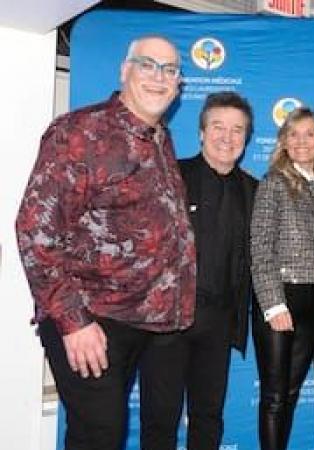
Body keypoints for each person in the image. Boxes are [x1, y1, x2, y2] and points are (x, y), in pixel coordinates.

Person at [15, 36, 195, 450]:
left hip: (152, 322)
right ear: (124, 71)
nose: (159, 77)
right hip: (93, 320)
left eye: (170, 70)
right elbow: (35, 230)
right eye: (148, 64)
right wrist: (73, 321)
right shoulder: (81, 131)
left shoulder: (159, 139)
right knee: (98, 438)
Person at [139, 91, 258, 450]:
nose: (228, 137)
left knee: (208, 418)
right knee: (160, 418)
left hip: (219, 322)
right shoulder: (171, 174)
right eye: (218, 127)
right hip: (167, 322)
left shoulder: (255, 190)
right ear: (202, 132)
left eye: (237, 130)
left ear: (247, 138)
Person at [250, 107, 314, 450]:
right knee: (274, 395)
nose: (301, 141)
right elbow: (260, 246)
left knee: (292, 391)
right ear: (283, 141)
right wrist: (272, 304)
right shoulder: (274, 183)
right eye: (293, 134)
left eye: (309, 134)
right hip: (280, 298)